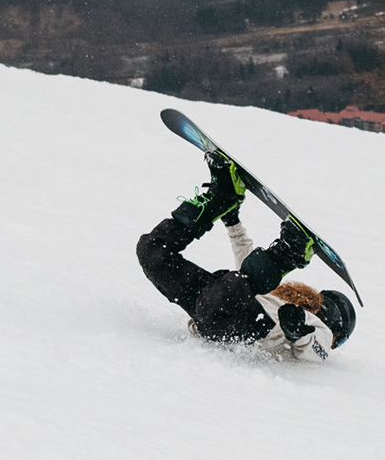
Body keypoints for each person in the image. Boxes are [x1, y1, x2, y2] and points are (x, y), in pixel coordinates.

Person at [137, 153, 357, 359]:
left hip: (240, 323)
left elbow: (316, 349)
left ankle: (289, 254)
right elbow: (246, 260)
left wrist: (299, 333)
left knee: (233, 285)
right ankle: (221, 199)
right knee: (152, 251)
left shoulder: (320, 334)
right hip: (219, 302)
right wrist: (232, 222)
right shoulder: (279, 300)